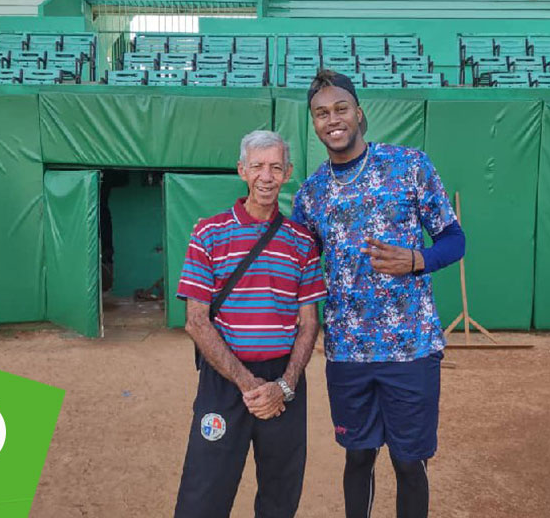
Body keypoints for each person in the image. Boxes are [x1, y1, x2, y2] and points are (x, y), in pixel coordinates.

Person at [292, 70, 466, 518]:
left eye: (340, 108)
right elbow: (302, 269)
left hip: (411, 348)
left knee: (410, 462)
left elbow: (454, 239)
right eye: (321, 113)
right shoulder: (310, 195)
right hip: (348, 352)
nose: (333, 119)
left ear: (359, 113)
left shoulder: (409, 165)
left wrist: (417, 259)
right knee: (358, 457)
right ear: (314, 124)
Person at [174, 130, 326, 518]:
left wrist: (286, 385)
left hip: (284, 383)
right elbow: (196, 321)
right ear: (242, 170)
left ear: (288, 172)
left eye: (276, 167)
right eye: (257, 166)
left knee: (280, 494)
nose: (266, 175)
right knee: (203, 495)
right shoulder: (208, 232)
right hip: (225, 383)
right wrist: (248, 384)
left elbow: (309, 323)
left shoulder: (302, 241)